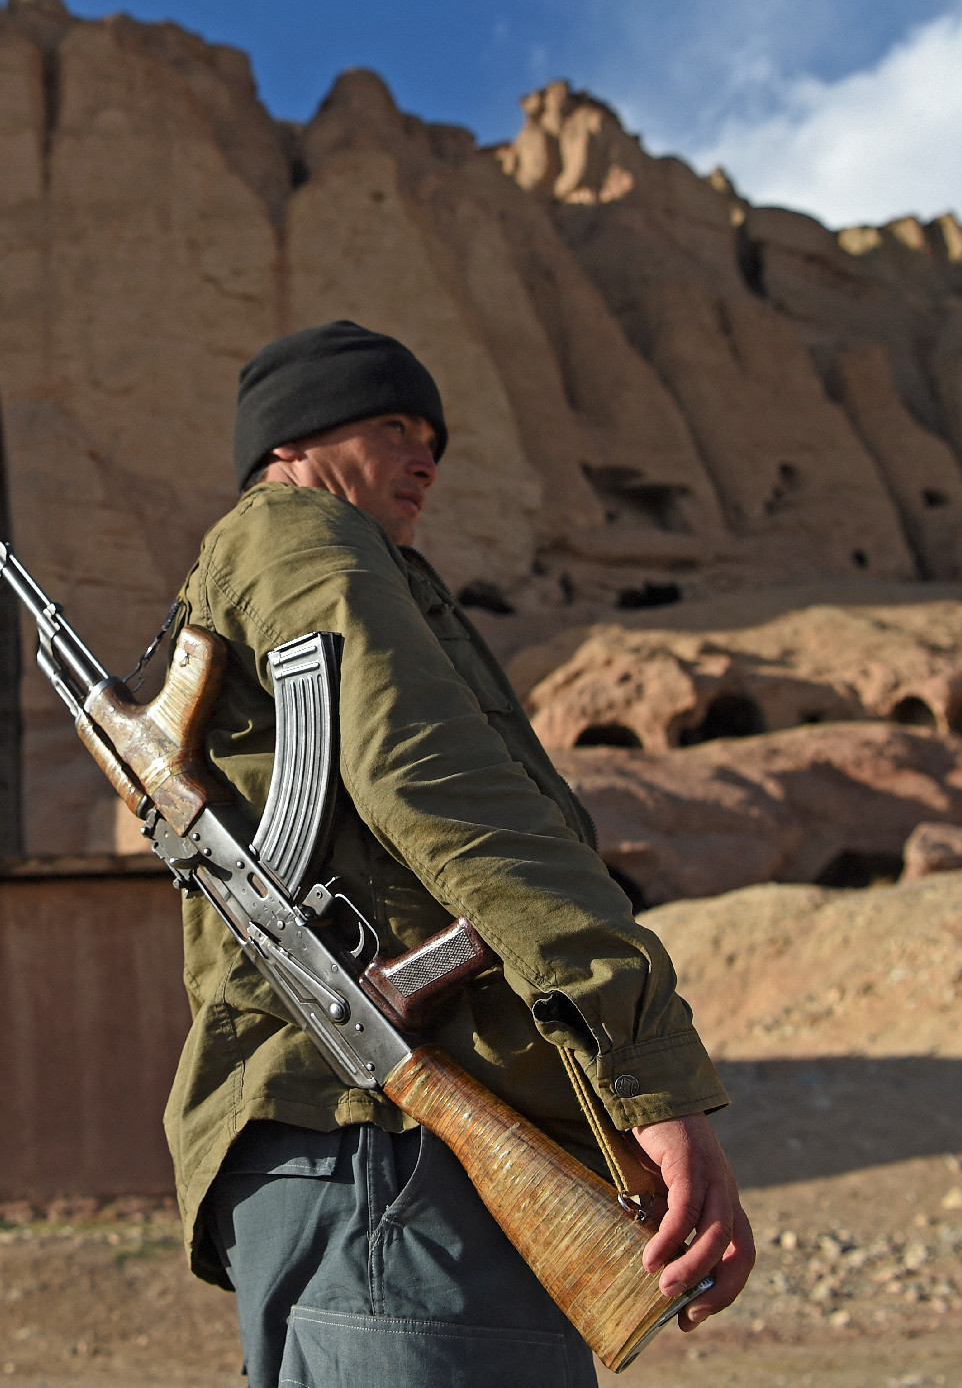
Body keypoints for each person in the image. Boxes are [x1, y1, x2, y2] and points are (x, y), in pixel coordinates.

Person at [164, 320, 753, 1386]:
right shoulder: (300, 540)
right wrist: (647, 1071)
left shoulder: (337, 559)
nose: (425, 455)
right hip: (384, 1154)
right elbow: (435, 781)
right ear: (291, 440)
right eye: (392, 424)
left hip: (373, 1153)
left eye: (432, 433)